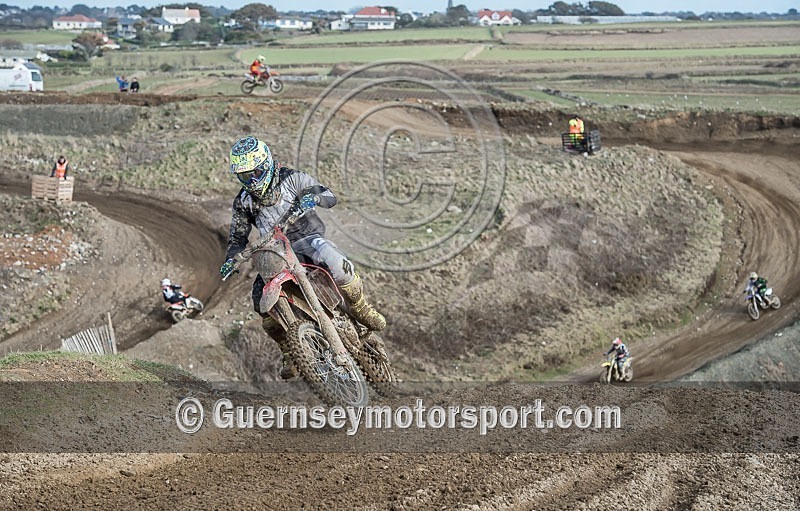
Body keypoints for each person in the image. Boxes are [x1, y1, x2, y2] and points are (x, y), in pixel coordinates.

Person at [219, 135, 386, 379]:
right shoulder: (243, 202)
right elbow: (237, 238)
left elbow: (329, 196)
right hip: (275, 251)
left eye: (255, 173)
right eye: (245, 176)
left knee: (335, 261)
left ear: (265, 165)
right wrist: (231, 259)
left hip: (306, 238)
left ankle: (360, 307)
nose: (252, 181)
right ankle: (289, 348)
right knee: (260, 300)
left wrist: (314, 196)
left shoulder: (292, 178)